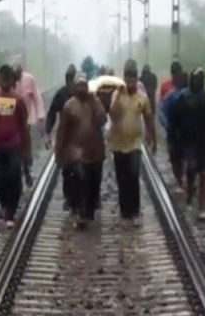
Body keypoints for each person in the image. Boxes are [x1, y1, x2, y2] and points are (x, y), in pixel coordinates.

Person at [55, 72, 107, 229]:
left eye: (84, 85)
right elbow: (62, 131)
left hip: (95, 151)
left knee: (94, 183)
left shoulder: (95, 101)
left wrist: (98, 107)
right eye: (79, 85)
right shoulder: (69, 106)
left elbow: (103, 119)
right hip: (76, 151)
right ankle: (81, 212)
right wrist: (60, 152)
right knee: (80, 181)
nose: (82, 88)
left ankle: (89, 211)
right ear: (74, 88)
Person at [108, 59, 157, 227]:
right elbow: (113, 116)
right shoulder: (117, 94)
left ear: (137, 79)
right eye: (127, 80)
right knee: (122, 179)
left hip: (135, 143)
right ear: (123, 79)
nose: (129, 83)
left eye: (132, 80)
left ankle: (135, 212)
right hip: (118, 143)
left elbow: (149, 118)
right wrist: (118, 95)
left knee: (134, 176)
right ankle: (125, 213)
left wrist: (153, 137)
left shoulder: (142, 97)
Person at [170, 67, 205, 221]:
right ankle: (190, 190)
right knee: (191, 171)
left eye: (200, 78)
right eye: (195, 78)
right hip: (189, 142)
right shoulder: (183, 98)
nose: (197, 81)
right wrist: (175, 140)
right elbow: (175, 121)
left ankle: (202, 207)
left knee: (204, 174)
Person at [0, 64, 31, 230]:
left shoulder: (18, 100)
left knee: (14, 178)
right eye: (2, 77)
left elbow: (23, 125)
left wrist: (26, 149)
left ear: (12, 80)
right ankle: (5, 207)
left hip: (13, 146)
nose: (5, 81)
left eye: (7, 78)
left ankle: (10, 212)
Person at [46, 64, 78, 211]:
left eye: (73, 79)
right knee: (66, 168)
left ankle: (78, 198)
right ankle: (68, 197)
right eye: (69, 79)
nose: (71, 82)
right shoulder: (61, 94)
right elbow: (52, 113)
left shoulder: (82, 93)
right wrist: (48, 132)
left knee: (80, 168)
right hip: (65, 137)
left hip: (80, 136)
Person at [12, 56, 45, 188]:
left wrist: (40, 114)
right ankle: (18, 172)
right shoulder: (11, 81)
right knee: (14, 146)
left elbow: (37, 97)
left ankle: (26, 170)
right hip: (12, 119)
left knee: (24, 144)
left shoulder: (29, 79)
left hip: (26, 118)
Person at [158, 70, 189, 193]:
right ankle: (185, 182)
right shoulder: (192, 95)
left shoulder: (170, 96)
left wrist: (167, 125)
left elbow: (161, 113)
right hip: (187, 134)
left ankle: (180, 181)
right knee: (185, 157)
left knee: (175, 158)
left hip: (174, 133)